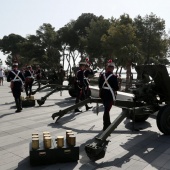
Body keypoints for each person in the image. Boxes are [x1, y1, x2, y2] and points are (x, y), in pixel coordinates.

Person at [98, 60, 119, 131]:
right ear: (112, 68)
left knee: (106, 109)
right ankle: (105, 126)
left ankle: (108, 123)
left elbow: (100, 85)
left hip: (103, 94)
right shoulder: (113, 76)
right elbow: (116, 88)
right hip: (110, 95)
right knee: (106, 110)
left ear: (107, 67)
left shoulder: (102, 75)